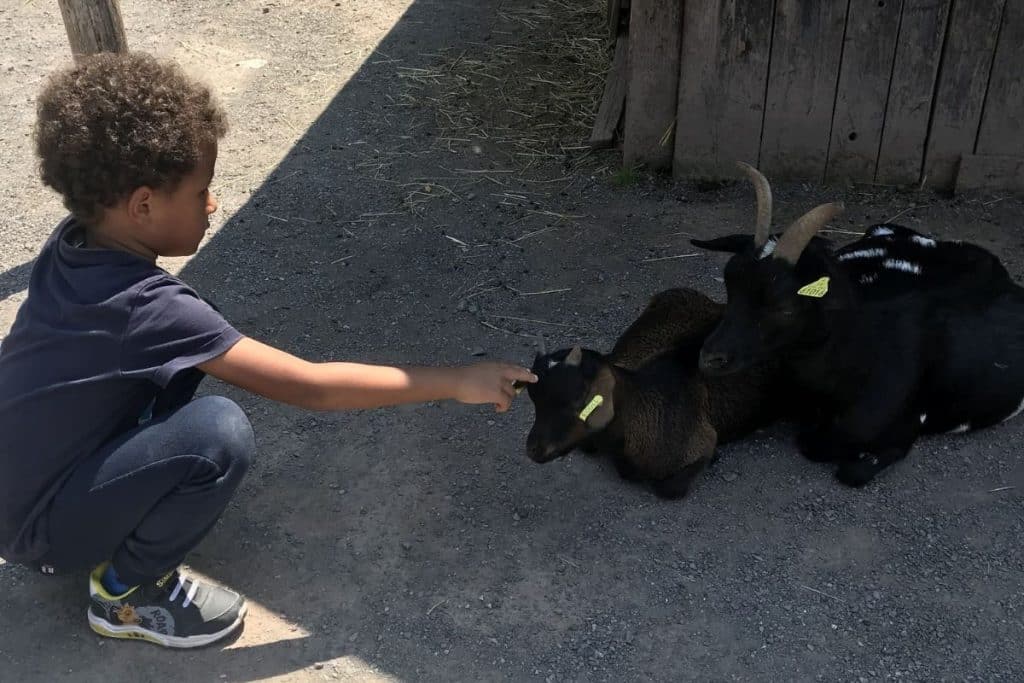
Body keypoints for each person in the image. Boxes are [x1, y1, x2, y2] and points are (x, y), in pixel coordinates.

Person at [0, 51, 536, 649]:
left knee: (172, 390)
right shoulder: (148, 310)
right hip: (40, 530)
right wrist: (459, 380)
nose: (212, 204)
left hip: (19, 488)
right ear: (143, 205)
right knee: (217, 434)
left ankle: (96, 522)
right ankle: (124, 593)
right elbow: (312, 386)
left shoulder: (71, 245)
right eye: (201, 191)